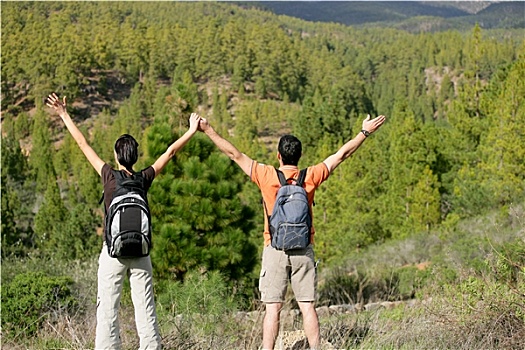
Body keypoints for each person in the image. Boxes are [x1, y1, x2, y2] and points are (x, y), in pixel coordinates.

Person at [198, 113, 386, 349]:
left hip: (274, 248)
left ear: (279, 155)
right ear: (299, 156)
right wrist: (364, 132)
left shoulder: (265, 175)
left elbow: (233, 154)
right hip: (303, 249)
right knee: (307, 306)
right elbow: (342, 155)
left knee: (273, 309)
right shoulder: (311, 176)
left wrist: (207, 130)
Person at [46, 93, 201, 350]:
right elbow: (170, 152)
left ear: (117, 157)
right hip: (141, 252)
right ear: (136, 157)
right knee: (145, 306)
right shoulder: (144, 178)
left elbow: (83, 144)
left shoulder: (108, 176)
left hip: (113, 252)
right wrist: (192, 130)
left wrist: (64, 114)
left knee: (108, 307)